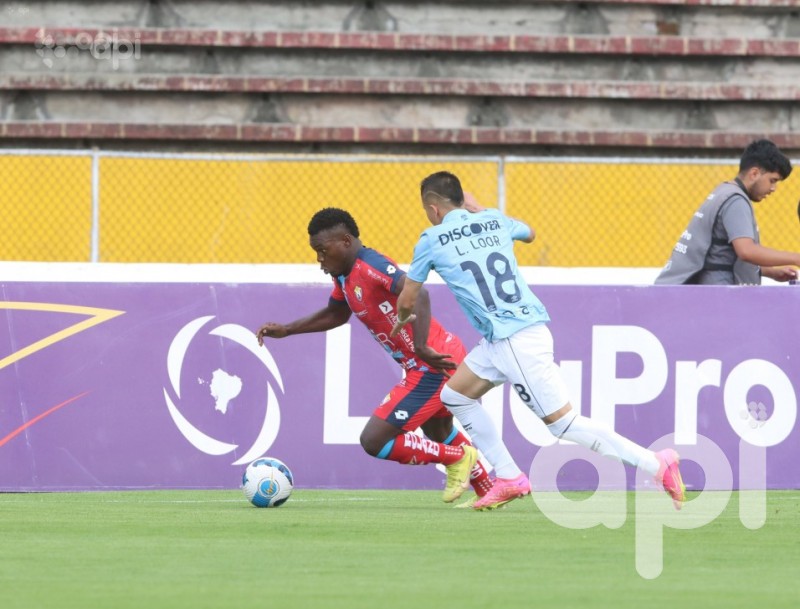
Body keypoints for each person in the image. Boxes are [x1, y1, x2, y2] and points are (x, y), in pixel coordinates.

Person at [391, 171, 686, 511]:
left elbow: (408, 299)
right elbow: (530, 234)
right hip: (506, 337)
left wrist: (401, 321)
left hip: (513, 340)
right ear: (462, 200)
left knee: (563, 424)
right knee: (455, 395)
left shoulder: (431, 238)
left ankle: (656, 463)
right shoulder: (493, 220)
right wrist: (480, 210)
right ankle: (509, 477)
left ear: (433, 209)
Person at [256, 207, 493, 505]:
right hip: (427, 362)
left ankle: (458, 457)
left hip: (432, 361)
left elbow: (419, 293)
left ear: (344, 241)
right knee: (437, 429)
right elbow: (337, 313)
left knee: (374, 440)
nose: (319, 260)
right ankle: (488, 489)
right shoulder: (344, 275)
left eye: (322, 250)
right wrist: (287, 329)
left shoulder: (371, 265)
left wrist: (421, 347)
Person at [656, 139, 800, 285]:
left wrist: (769, 271)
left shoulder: (723, 192)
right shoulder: (736, 201)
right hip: (718, 293)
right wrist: (795, 258)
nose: (773, 188)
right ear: (754, 173)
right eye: (772, 180)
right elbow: (746, 251)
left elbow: (719, 255)